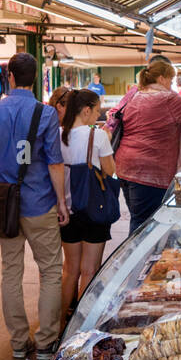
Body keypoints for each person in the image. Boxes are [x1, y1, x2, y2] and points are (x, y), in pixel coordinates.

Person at [0, 51, 69, 360]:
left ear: (11, 77)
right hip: (41, 203)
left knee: (11, 272)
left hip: (7, 207)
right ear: (35, 79)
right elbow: (55, 164)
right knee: (50, 272)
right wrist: (61, 201)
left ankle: (19, 340)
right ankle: (46, 341)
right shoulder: (45, 114)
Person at [114, 59, 181, 234]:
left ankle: (140, 258)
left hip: (125, 167)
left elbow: (151, 125)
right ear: (161, 78)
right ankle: (138, 260)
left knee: (139, 218)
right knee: (145, 226)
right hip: (150, 171)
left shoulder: (137, 94)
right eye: (171, 80)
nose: (173, 85)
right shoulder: (166, 98)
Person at [59, 89, 116, 322]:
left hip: (66, 209)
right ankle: (79, 328)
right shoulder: (98, 136)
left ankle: (60, 324)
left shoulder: (59, 135)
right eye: (97, 110)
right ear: (86, 110)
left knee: (70, 269)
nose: (98, 114)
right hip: (94, 210)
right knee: (89, 270)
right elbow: (110, 171)